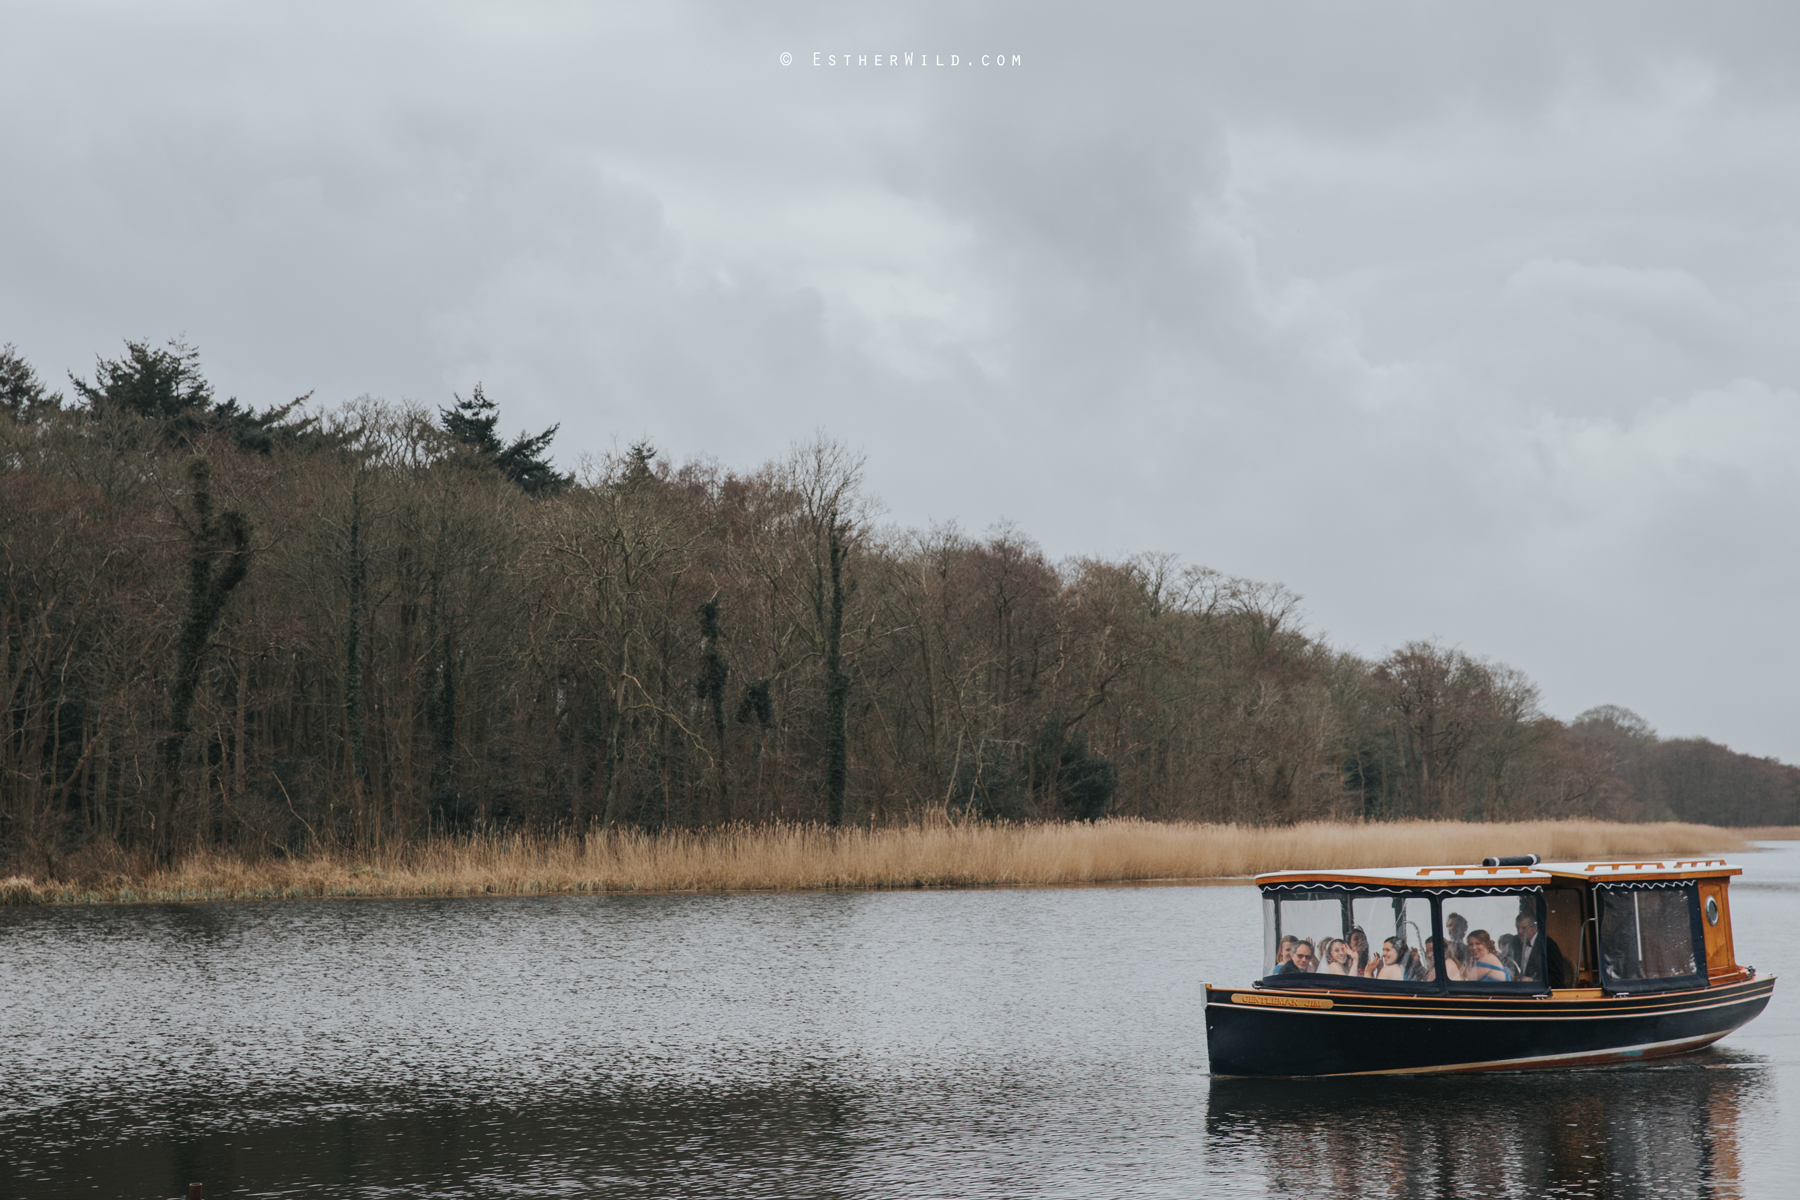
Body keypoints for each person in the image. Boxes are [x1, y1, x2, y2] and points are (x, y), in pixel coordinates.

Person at [1516, 910, 1572, 986]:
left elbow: (1557, 978)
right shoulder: (1517, 943)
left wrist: (1533, 981)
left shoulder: (1548, 945)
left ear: (1535, 928)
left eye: (1523, 928)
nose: (1519, 931)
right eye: (1517, 928)